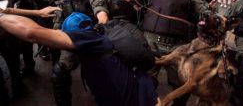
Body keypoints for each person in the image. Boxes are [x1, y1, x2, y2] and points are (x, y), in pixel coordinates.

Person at [0, 12, 159, 106]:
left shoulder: (89, 40)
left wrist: (1, 16)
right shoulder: (99, 37)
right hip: (143, 94)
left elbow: (31, 32)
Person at [124, 0, 209, 106]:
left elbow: (206, 14)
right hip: (150, 44)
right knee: (144, 83)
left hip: (177, 47)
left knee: (181, 86)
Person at [52, 0, 108, 106]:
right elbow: (57, 25)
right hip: (71, 41)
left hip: (92, 39)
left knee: (103, 75)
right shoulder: (62, 2)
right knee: (59, 71)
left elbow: (101, 11)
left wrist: (100, 24)